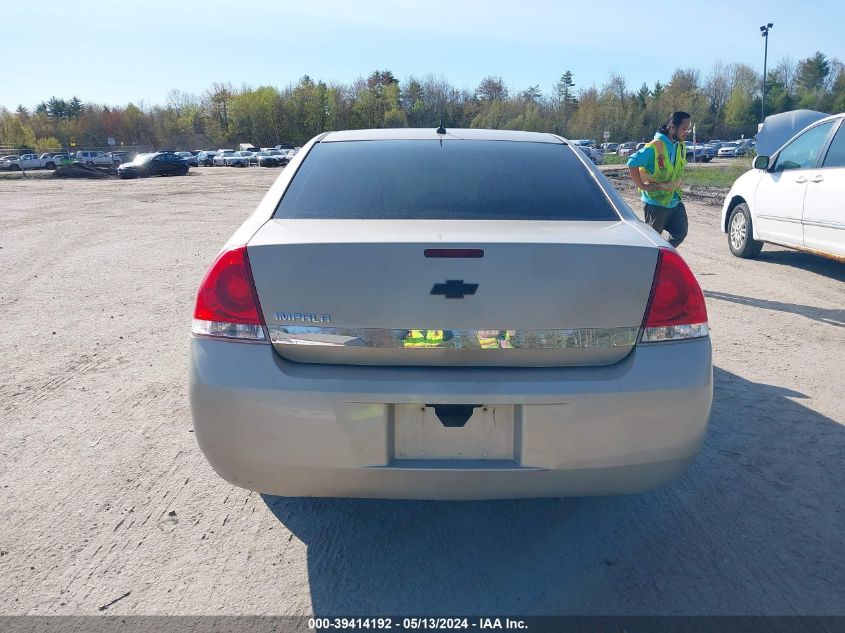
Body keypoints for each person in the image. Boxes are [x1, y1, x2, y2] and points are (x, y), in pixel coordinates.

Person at [626, 111, 691, 247]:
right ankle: (648, 263)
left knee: (681, 232)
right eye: (684, 129)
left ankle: (662, 256)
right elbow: (632, 162)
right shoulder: (655, 146)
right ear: (672, 127)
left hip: (674, 200)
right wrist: (642, 186)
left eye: (688, 129)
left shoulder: (679, 145)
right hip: (656, 203)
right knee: (652, 242)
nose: (686, 132)